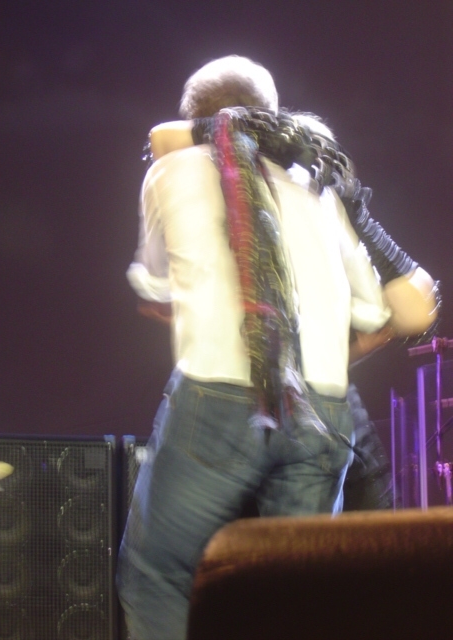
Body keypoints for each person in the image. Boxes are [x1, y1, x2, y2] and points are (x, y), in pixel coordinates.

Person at [117, 55, 438, 640]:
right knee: (296, 595)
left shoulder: (172, 169)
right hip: (323, 410)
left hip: (218, 399)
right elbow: (376, 313)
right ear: (275, 115)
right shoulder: (319, 186)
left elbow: (157, 289)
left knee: (156, 574)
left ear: (193, 119)